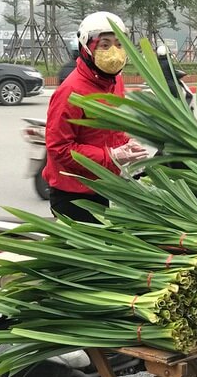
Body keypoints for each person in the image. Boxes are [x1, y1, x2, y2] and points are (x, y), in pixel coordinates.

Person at [43, 11, 148, 222]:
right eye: (105, 45)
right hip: (74, 194)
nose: (114, 52)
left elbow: (110, 131)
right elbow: (59, 149)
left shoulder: (115, 82)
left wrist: (128, 144)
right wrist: (111, 156)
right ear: (87, 48)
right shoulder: (71, 91)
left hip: (104, 185)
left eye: (119, 44)